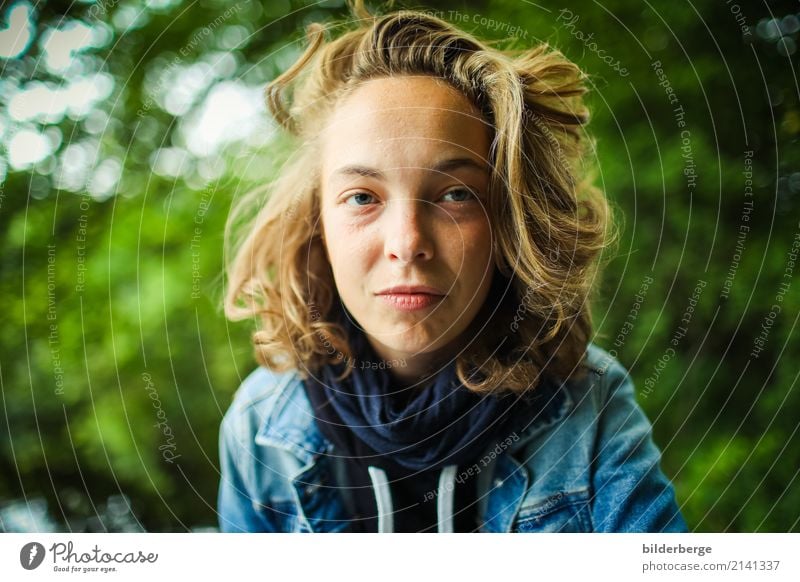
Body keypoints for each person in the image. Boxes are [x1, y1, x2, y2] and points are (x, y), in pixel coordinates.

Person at [217, 0, 687, 533]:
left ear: (509, 220)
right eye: (361, 197)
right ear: (316, 223)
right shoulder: (260, 427)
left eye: (457, 194)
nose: (408, 243)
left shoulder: (589, 405)